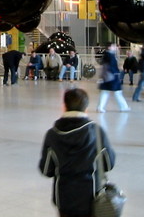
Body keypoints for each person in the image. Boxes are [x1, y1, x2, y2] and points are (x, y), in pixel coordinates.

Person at [39, 88, 116, 217]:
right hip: (91, 197)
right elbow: (109, 164)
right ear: (85, 108)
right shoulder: (96, 132)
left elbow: (46, 170)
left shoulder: (52, 135)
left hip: (64, 198)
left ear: (64, 107)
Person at [96, 42, 130, 113]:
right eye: (113, 46)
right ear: (109, 47)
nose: (115, 47)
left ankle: (100, 107)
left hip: (108, 77)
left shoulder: (108, 55)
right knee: (117, 92)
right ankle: (123, 107)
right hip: (111, 76)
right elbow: (111, 66)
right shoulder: (109, 55)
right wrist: (116, 73)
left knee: (105, 92)